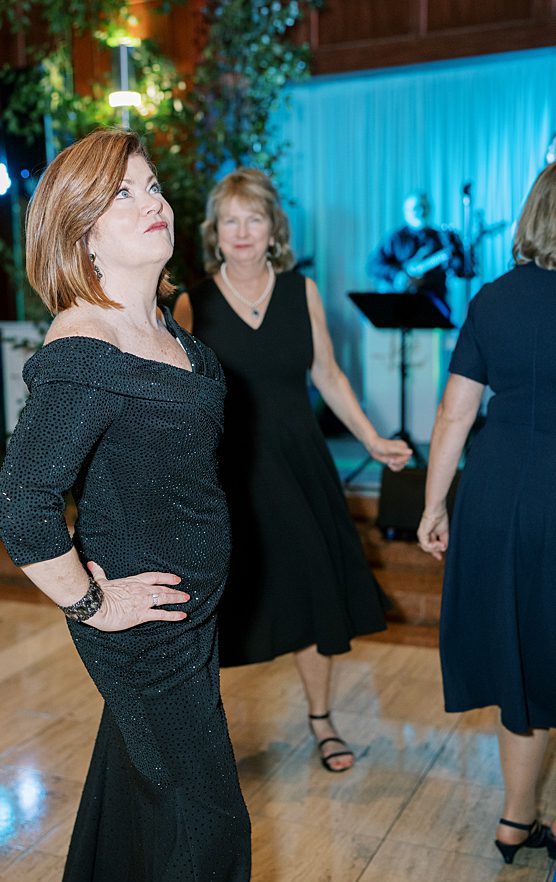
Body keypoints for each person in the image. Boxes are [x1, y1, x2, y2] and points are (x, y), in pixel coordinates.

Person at [0, 127, 249, 882]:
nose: (153, 202)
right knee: (208, 833)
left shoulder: (166, 329)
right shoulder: (84, 344)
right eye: (122, 195)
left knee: (139, 806)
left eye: (152, 185)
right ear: (82, 235)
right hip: (144, 634)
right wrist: (94, 602)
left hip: (192, 617)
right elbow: (21, 507)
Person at [174, 169, 410, 773]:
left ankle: (321, 718)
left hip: (300, 463)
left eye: (254, 218)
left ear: (273, 228)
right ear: (215, 233)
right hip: (228, 473)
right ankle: (204, 735)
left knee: (311, 590)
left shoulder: (299, 290)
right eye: (231, 220)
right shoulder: (192, 302)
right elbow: (176, 392)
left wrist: (373, 438)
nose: (243, 231)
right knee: (222, 603)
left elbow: (327, 375)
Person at [418, 162, 556, 866]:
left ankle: (514, 820)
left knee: (522, 659)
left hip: (499, 489)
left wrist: (434, 503)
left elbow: (455, 413)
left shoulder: (492, 300)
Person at [369, 191, 473, 313]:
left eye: (424, 207)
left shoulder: (441, 237)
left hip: (433, 306)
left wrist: (461, 252)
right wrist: (397, 275)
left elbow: (460, 271)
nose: (421, 211)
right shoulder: (396, 238)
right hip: (400, 305)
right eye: (415, 208)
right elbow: (373, 265)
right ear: (406, 212)